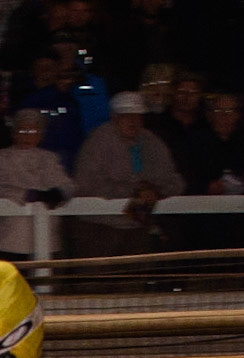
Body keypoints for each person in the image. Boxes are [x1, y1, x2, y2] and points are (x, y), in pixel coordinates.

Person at [72, 90, 184, 256]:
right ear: (114, 117)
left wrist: (155, 190)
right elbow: (85, 183)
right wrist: (132, 191)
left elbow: (174, 181)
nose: (133, 121)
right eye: (127, 116)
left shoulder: (152, 142)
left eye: (137, 116)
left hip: (139, 228)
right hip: (100, 227)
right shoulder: (98, 141)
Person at [0, 108, 74, 258]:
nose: (27, 136)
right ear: (14, 133)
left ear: (41, 135)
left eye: (32, 132)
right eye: (22, 131)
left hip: (46, 232)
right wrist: (29, 195)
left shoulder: (49, 158)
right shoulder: (2, 157)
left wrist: (59, 194)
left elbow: (66, 184)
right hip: (10, 235)